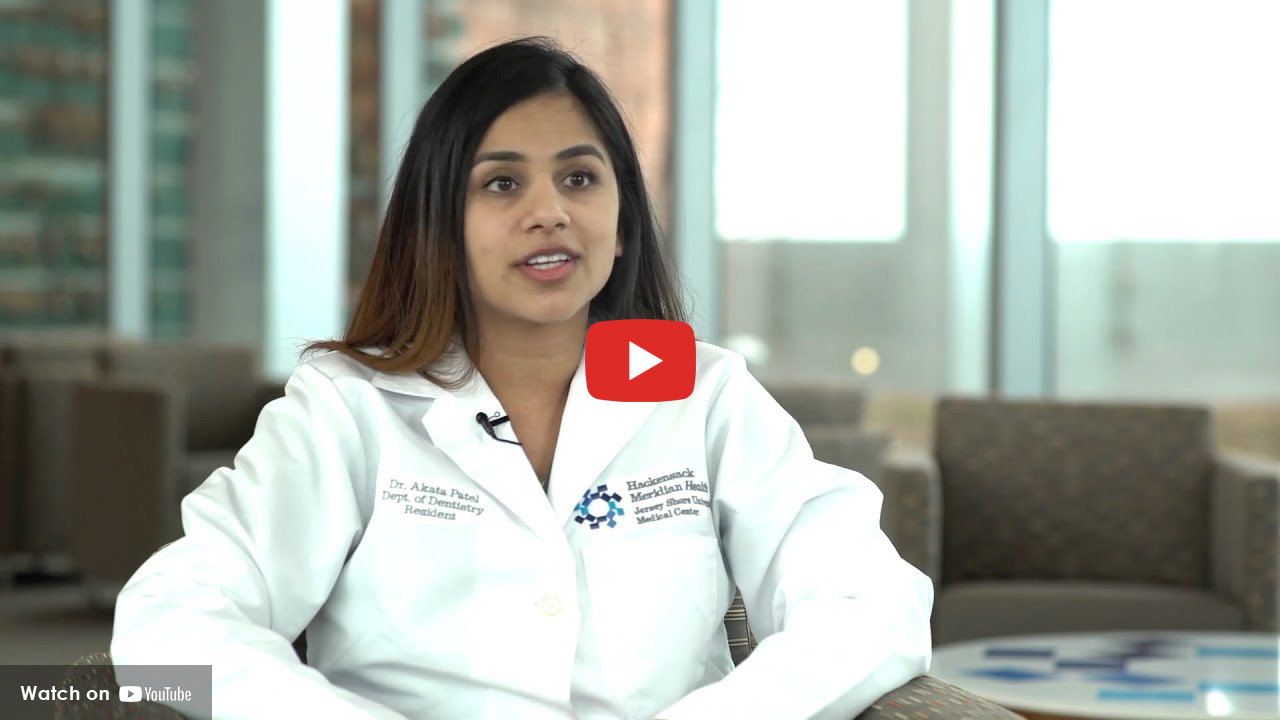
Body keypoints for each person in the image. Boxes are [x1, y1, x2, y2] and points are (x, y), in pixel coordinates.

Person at [110, 37, 933, 720]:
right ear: (439, 224)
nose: (551, 211)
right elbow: (170, 623)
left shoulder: (702, 392)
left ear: (621, 223)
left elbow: (871, 603)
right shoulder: (346, 406)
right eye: (502, 183)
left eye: (580, 178)